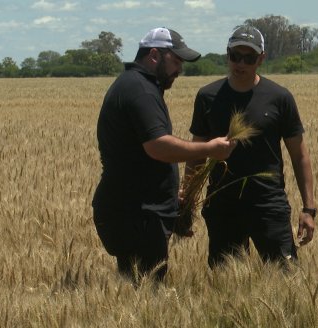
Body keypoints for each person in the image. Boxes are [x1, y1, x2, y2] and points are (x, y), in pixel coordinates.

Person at [92, 27, 237, 282]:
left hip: (131, 208)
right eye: (177, 60)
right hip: (138, 214)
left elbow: (140, 156)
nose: (180, 69)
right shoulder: (142, 90)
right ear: (155, 55)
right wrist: (210, 148)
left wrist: (171, 196)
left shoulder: (132, 84)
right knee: (148, 289)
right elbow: (157, 147)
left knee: (135, 287)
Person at [184, 26, 316, 269]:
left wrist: (309, 209)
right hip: (222, 204)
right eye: (235, 56)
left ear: (261, 59)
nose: (240, 63)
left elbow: (299, 156)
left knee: (285, 276)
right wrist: (186, 203)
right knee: (225, 283)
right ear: (227, 54)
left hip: (268, 203)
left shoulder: (279, 97)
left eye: (249, 58)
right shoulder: (207, 96)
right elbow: (196, 154)